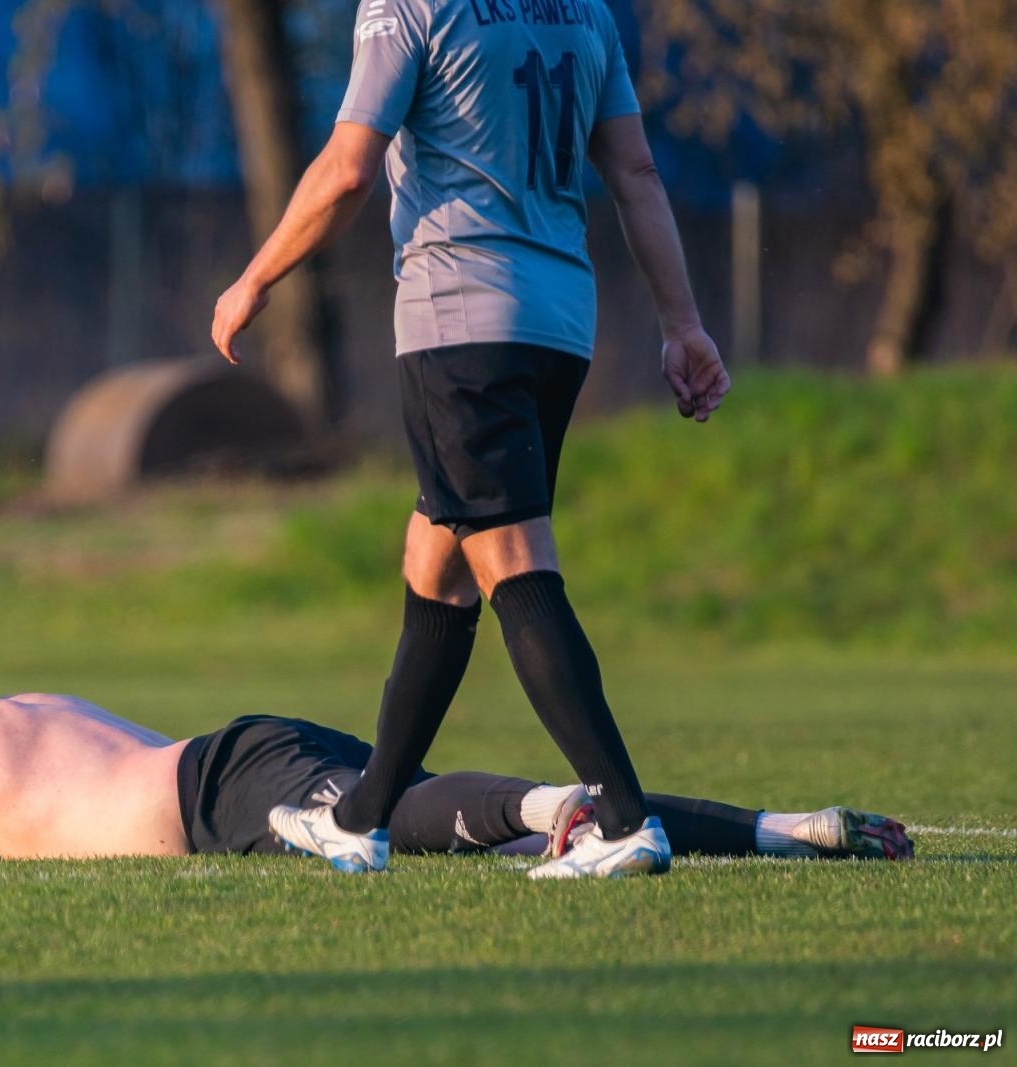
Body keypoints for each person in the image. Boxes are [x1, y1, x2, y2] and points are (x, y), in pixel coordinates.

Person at [210, 0, 731, 878]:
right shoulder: (584, 11)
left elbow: (346, 170)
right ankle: (363, 814)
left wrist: (255, 279)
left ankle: (623, 818)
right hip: (561, 325)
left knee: (513, 562)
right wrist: (683, 324)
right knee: (439, 554)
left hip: (460, 321)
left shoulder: (409, 5)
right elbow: (635, 172)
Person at [0, 631, 913, 866]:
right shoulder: (31, 704)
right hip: (235, 754)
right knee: (422, 804)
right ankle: (786, 826)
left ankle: (552, 810)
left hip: (225, 790)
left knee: (436, 818)